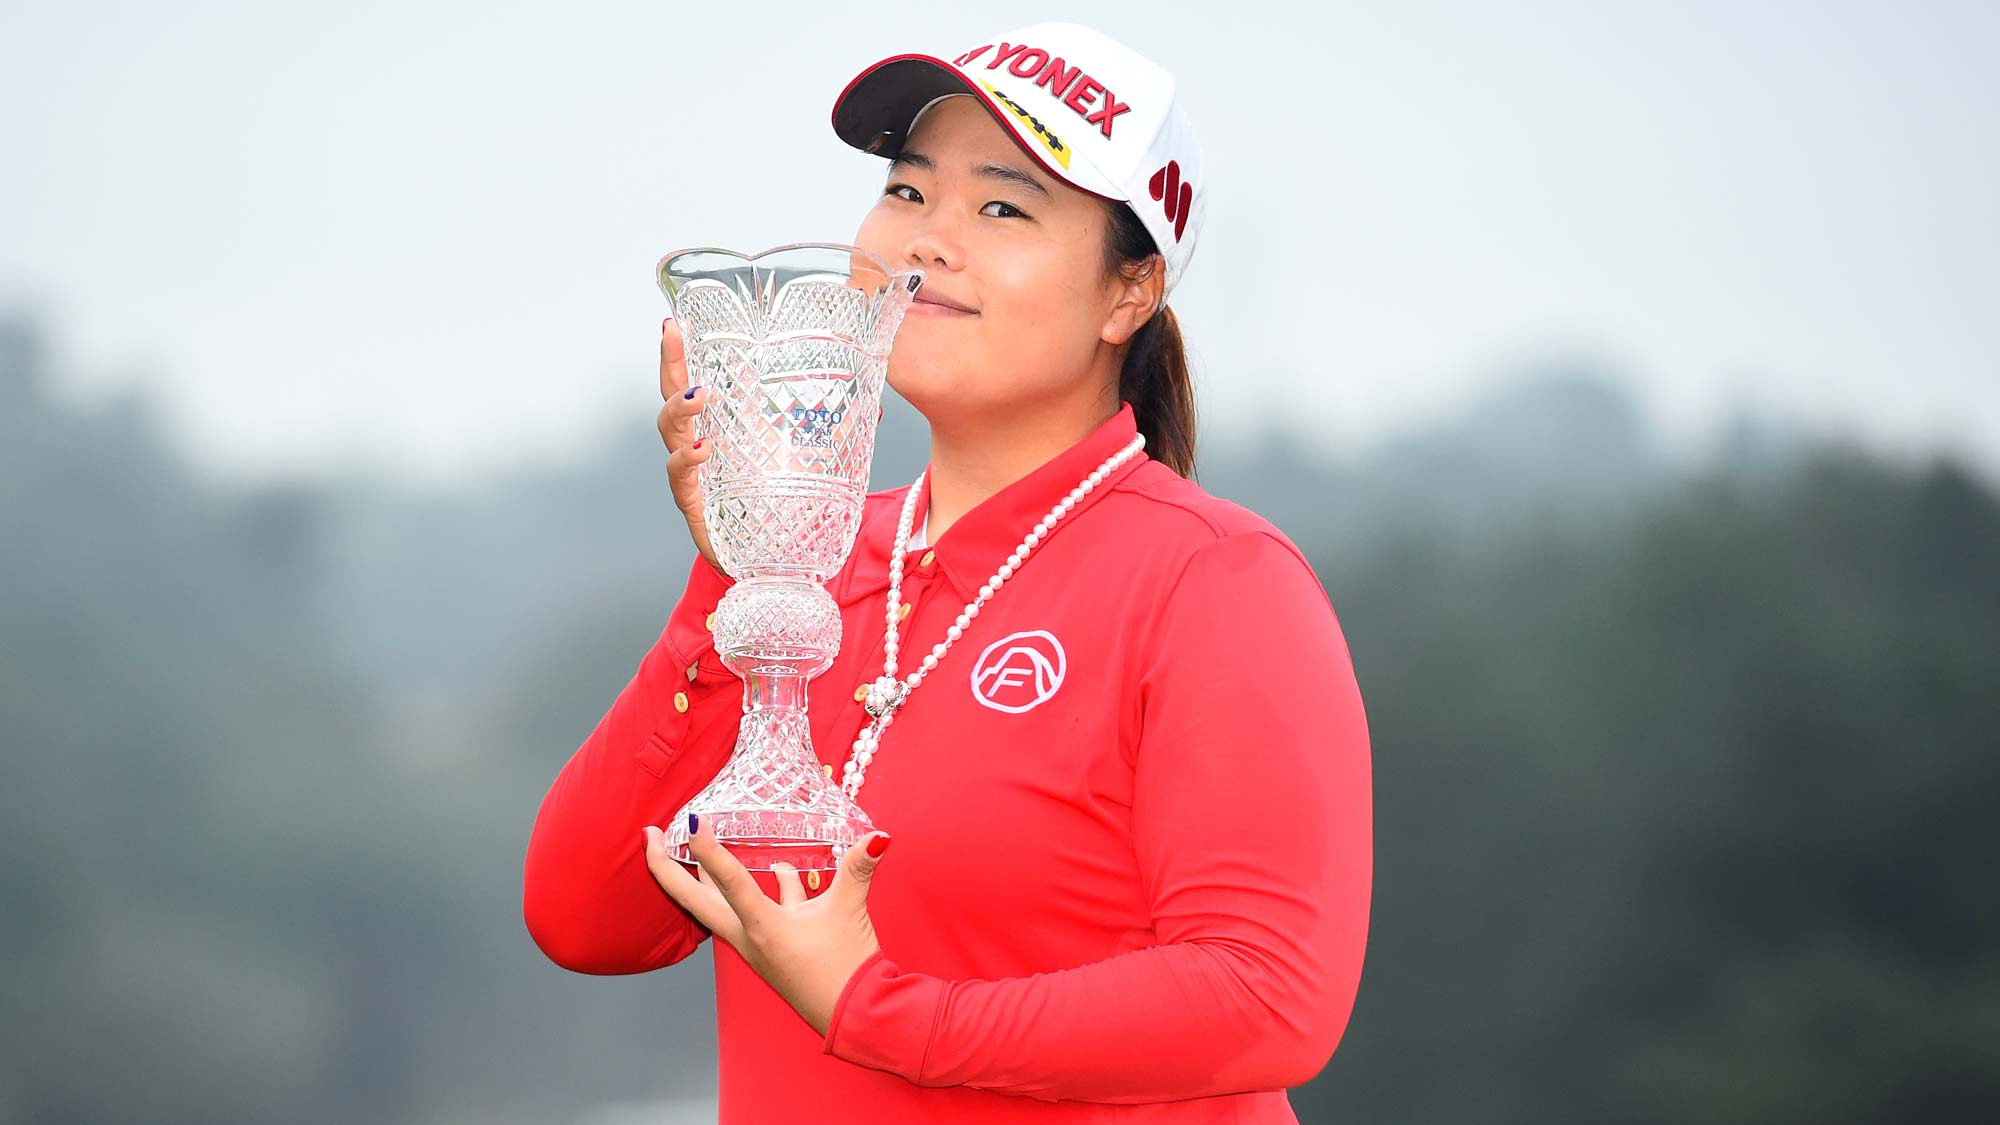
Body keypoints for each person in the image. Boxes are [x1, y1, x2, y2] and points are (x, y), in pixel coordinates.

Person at [523, 21, 1372, 1123]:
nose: (928, 241)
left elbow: (1269, 996)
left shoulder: (1213, 582)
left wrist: (877, 1010)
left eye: (1003, 208)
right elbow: (588, 919)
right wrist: (736, 584)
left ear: (1130, 291)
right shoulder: (813, 576)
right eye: (908, 191)